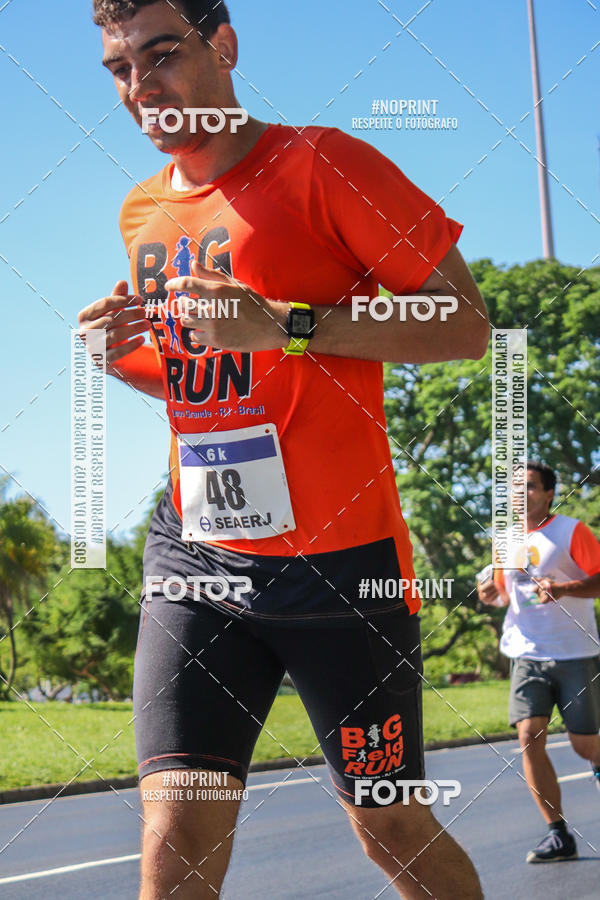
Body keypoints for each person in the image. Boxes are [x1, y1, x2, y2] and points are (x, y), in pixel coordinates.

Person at [79, 1, 490, 896]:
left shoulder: (325, 164)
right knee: (173, 831)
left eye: (161, 55)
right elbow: (213, 384)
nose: (140, 87)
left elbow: (463, 324)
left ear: (222, 45)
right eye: (118, 68)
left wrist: (289, 326)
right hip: (197, 554)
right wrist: (130, 364)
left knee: (389, 827)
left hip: (338, 565)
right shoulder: (142, 211)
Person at [478, 461, 600, 864]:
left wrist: (564, 588)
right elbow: (503, 593)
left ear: (548, 493)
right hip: (527, 653)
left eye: (529, 487)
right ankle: (558, 834)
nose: (520, 494)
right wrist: (490, 594)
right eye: (515, 488)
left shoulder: (571, 531)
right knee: (529, 735)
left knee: (586, 746)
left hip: (576, 653)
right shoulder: (503, 538)